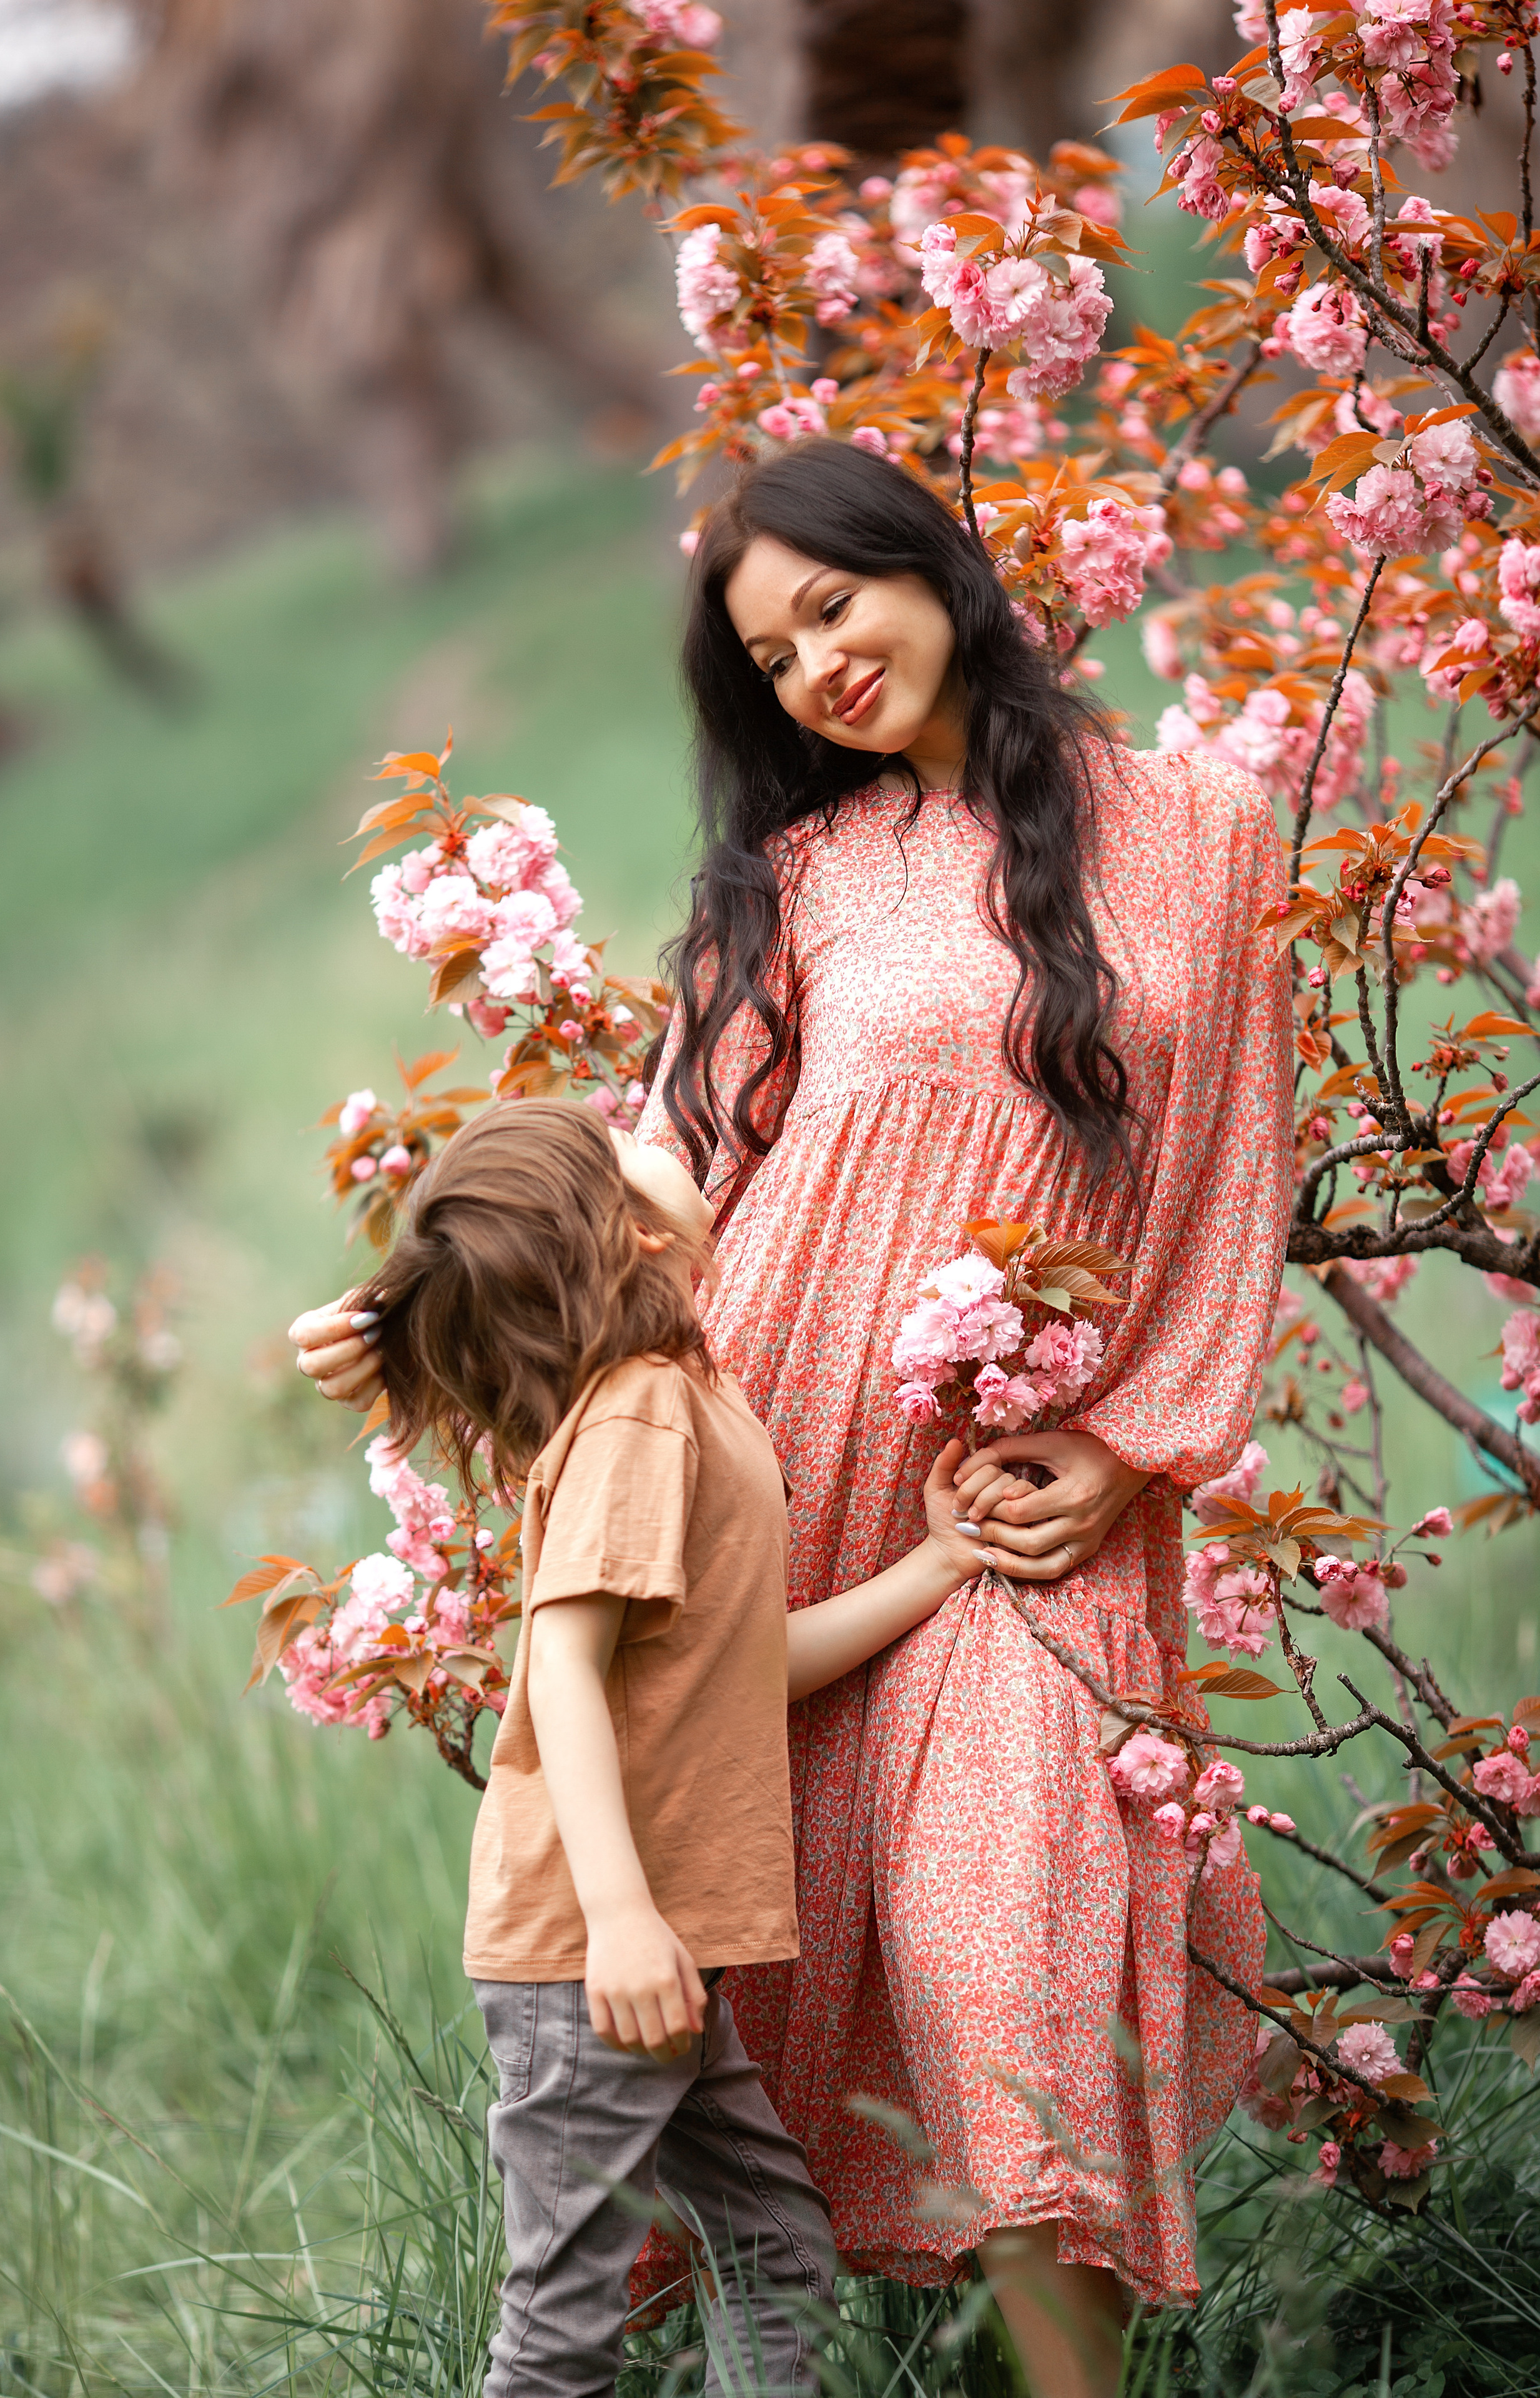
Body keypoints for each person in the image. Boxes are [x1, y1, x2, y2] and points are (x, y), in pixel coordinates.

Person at [295, 438, 1291, 2398]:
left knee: (1005, 1965)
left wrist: (1130, 1444)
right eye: (771, 655)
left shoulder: (1211, 828)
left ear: (932, 565)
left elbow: (1234, 1175)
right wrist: (416, 1316)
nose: (816, 667)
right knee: (726, 1995)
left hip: (1011, 1497)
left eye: (834, 605)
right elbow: (655, 1173)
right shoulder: (806, 881)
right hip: (764, 1484)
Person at [307, 1097, 1010, 2398]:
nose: (649, 1127)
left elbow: (747, 1668)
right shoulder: (637, 1416)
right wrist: (623, 1919)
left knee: (772, 2246)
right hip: (598, 1957)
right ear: (622, 1232)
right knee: (559, 2332)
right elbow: (559, 1670)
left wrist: (934, 1565)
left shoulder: (680, 1397)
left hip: (652, 1961)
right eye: (615, 1142)